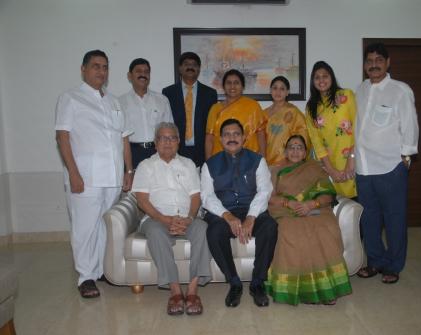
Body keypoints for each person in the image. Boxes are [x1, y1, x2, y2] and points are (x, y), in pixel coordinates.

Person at [55, 50, 133, 298]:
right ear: (83, 69)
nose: (101, 71)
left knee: (103, 227)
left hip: (111, 177)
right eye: (96, 66)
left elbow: (124, 139)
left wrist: (128, 171)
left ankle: (100, 271)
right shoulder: (71, 98)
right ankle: (85, 277)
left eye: (105, 67)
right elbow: (62, 137)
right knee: (84, 228)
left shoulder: (113, 101)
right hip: (85, 178)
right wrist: (74, 173)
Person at [132, 122, 211, 315]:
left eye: (172, 138)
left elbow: (195, 196)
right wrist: (164, 219)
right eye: (163, 138)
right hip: (156, 218)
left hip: (186, 217)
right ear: (155, 142)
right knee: (156, 233)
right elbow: (142, 200)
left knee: (203, 229)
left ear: (179, 142)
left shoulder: (188, 164)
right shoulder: (146, 166)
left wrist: (190, 218)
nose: (168, 142)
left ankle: (192, 291)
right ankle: (175, 292)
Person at [355, 43, 419, 284]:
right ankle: (375, 261)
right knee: (369, 218)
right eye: (369, 60)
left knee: (394, 218)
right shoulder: (359, 90)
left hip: (391, 166)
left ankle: (394, 265)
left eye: (378, 59)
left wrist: (407, 155)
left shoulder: (400, 90)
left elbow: (410, 124)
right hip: (363, 167)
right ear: (364, 65)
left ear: (388, 62)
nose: (374, 64)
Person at [266, 135, 352, 305]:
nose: (295, 151)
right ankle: (301, 290)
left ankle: (326, 288)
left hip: (315, 208)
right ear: (285, 151)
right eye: (291, 147)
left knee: (324, 229)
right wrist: (288, 202)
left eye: (299, 147)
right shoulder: (275, 170)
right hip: (286, 210)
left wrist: (312, 204)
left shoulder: (315, 168)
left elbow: (328, 193)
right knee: (290, 232)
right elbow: (269, 197)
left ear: (305, 152)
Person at [201, 118, 277, 308]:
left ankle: (257, 283)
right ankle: (234, 283)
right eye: (227, 134)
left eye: (236, 134)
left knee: (269, 226)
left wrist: (251, 216)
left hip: (251, 208)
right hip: (223, 212)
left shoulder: (258, 160)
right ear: (220, 139)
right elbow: (207, 197)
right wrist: (227, 216)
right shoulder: (209, 164)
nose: (232, 138)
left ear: (244, 137)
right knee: (214, 232)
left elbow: (264, 190)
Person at [305, 61, 357, 198]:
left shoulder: (346, 96)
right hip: (331, 165)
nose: (321, 80)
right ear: (313, 81)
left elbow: (359, 128)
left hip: (354, 161)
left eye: (325, 76)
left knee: (360, 209)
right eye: (317, 77)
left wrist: (351, 160)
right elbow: (316, 141)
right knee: (338, 211)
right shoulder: (311, 107)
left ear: (331, 77)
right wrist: (331, 169)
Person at [163, 52, 218, 167]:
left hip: (202, 151)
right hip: (176, 149)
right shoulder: (168, 93)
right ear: (180, 68)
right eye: (186, 64)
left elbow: (212, 124)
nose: (190, 67)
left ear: (199, 69)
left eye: (194, 65)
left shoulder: (210, 94)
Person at [119, 58, 174, 169]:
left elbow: (170, 130)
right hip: (132, 153)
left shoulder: (162, 100)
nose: (143, 74)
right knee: (134, 186)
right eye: (138, 71)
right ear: (129, 76)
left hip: (157, 151)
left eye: (146, 72)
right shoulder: (120, 102)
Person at [205, 69, 267, 159]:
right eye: (229, 83)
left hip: (250, 159)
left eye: (236, 83)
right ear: (223, 86)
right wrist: (209, 161)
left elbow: (261, 134)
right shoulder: (215, 109)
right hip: (221, 160)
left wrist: (263, 158)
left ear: (242, 86)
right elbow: (209, 138)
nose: (232, 86)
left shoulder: (253, 106)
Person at [264, 76, 309, 166]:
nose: (278, 92)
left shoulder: (293, 112)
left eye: (282, 89)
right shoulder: (263, 114)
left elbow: (303, 136)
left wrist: (292, 156)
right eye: (275, 88)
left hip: (287, 161)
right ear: (270, 90)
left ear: (287, 92)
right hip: (266, 161)